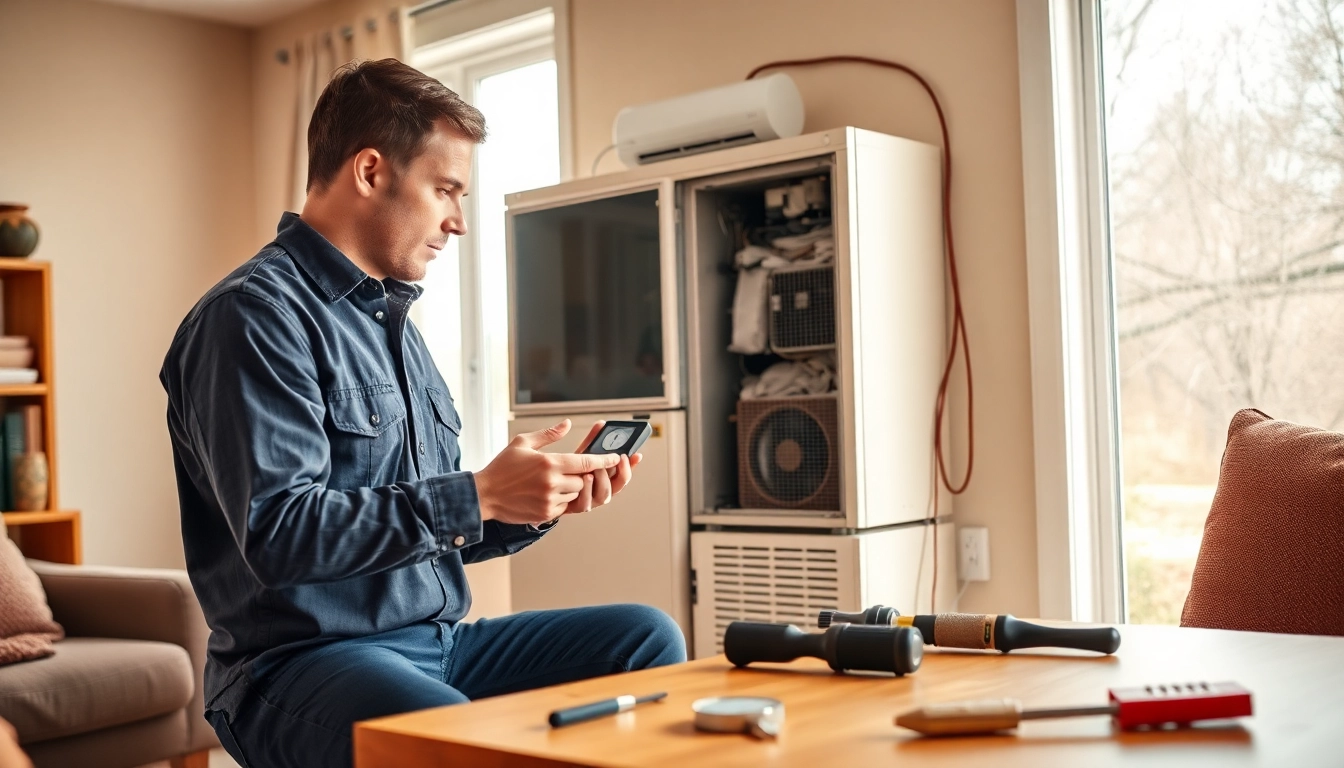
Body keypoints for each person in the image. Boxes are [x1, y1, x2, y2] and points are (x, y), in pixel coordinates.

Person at [160, 58, 685, 768]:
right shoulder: (252, 319)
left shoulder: (397, 329)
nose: (458, 222)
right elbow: (281, 534)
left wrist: (525, 504)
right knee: (448, 731)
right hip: (295, 663)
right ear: (372, 171)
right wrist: (475, 493)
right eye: (445, 190)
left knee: (646, 638)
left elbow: (428, 532)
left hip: (436, 643)